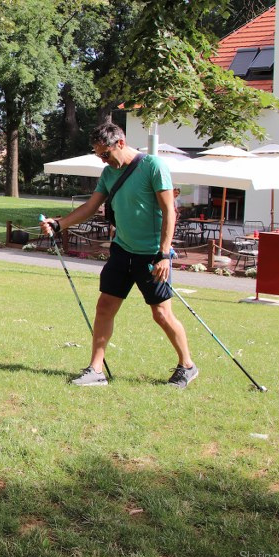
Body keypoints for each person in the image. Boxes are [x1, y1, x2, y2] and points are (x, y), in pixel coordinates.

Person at [39, 122, 198, 389]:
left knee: (161, 313)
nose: (103, 160)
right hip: (122, 250)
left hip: (151, 254)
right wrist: (59, 224)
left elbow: (169, 211)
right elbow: (91, 206)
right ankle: (95, 370)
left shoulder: (153, 167)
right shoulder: (108, 173)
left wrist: (164, 254)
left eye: (105, 154)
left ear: (120, 143)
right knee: (104, 307)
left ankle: (187, 366)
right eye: (98, 155)